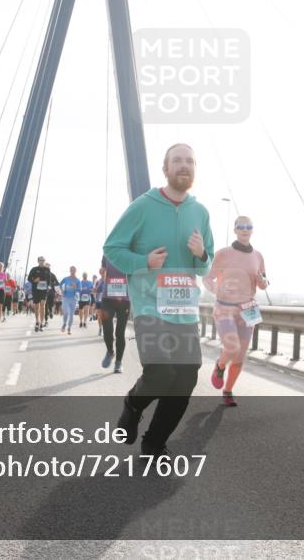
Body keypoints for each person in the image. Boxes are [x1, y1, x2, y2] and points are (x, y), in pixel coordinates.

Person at [104, 143, 213, 458]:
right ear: (165, 169)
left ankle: (154, 442)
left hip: (184, 311)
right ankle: (133, 404)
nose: (184, 165)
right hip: (150, 307)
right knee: (161, 373)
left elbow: (205, 266)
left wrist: (201, 254)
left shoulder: (200, 212)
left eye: (190, 160)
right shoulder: (143, 206)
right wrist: (144, 262)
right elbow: (112, 248)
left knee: (186, 378)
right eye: (177, 160)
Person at [203, 215, 268, 406]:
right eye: (241, 226)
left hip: (249, 309)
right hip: (225, 307)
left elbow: (264, 283)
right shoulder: (223, 254)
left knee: (240, 356)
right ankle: (220, 365)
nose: (245, 229)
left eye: (248, 226)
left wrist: (263, 281)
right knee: (232, 347)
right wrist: (216, 289)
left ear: (252, 229)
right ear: (235, 230)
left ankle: (228, 390)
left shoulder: (258, 256)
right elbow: (207, 278)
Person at [98, 257, 130, 373]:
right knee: (106, 328)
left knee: (120, 333)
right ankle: (110, 351)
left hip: (124, 298)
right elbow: (103, 270)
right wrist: (102, 272)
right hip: (108, 297)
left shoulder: (130, 251)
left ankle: (118, 362)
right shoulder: (107, 252)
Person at [27, 256, 50, 331]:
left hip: (44, 290)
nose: (42, 261)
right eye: (40, 260)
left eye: (43, 260)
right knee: (37, 306)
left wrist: (48, 286)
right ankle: (37, 321)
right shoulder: (34, 269)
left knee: (43, 305)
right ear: (38, 261)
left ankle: (42, 323)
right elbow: (29, 278)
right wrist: (34, 280)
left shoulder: (47, 269)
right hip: (36, 290)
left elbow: (49, 280)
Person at [60, 266, 79, 334]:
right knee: (66, 313)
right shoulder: (66, 279)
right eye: (71, 270)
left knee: (71, 314)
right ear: (70, 271)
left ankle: (69, 328)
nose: (72, 272)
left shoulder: (77, 280)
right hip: (65, 298)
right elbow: (60, 284)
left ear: (75, 271)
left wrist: (75, 287)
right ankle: (64, 323)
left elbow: (80, 289)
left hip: (73, 299)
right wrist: (62, 290)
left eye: (74, 270)